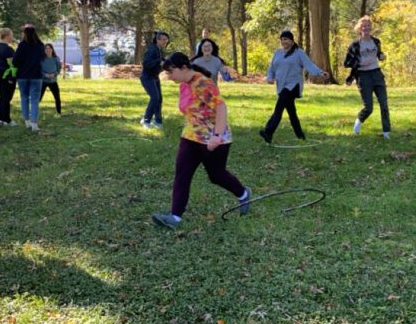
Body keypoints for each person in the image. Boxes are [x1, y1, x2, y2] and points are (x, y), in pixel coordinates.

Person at [151, 52, 251, 229]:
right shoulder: (184, 84)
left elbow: (221, 109)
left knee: (216, 175)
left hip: (214, 138)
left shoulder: (203, 83)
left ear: (184, 68)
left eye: (171, 71)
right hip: (191, 136)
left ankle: (243, 194)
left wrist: (217, 136)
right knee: (182, 174)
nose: (169, 76)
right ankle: (175, 217)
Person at [259, 30, 329, 143]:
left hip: (293, 86)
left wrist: (320, 73)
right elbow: (271, 68)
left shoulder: (299, 53)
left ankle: (268, 132)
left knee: (279, 109)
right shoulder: (277, 53)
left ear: (292, 41)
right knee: (291, 112)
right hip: (281, 86)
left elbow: (309, 65)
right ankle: (300, 135)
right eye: (281, 39)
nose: (283, 41)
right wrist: (270, 77)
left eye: (286, 39)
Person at [343, 16, 391, 139]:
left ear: (371, 28)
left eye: (368, 26)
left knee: (384, 104)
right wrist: (359, 64)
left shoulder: (376, 41)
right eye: (364, 26)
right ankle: (358, 122)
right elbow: (346, 63)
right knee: (368, 107)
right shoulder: (355, 44)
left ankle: (386, 133)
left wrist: (382, 56)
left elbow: (379, 53)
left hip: (377, 74)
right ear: (359, 28)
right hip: (363, 76)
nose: (366, 28)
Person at [13, 24, 46, 132]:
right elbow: (43, 59)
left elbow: (15, 61)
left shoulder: (22, 45)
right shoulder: (40, 45)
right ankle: (34, 123)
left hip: (22, 76)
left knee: (24, 98)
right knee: (35, 100)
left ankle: (26, 121)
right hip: (36, 76)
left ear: (24, 34)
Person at [140, 31, 170, 129]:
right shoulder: (152, 49)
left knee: (159, 99)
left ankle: (158, 121)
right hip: (147, 78)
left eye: (166, 40)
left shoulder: (158, 49)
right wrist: (159, 62)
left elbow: (160, 62)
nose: (165, 42)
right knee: (155, 98)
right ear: (157, 40)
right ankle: (146, 120)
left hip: (154, 77)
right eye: (163, 40)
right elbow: (146, 63)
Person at [0, 28, 18, 126]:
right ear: (7, 36)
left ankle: (1, 118)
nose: (12, 37)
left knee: (2, 95)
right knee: (7, 96)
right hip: (7, 73)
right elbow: (12, 65)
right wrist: (13, 77)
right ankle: (7, 119)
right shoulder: (8, 49)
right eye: (11, 35)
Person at [39, 43, 62, 116]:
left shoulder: (56, 58)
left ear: (52, 49)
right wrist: (44, 74)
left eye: (49, 48)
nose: (48, 50)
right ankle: (34, 113)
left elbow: (59, 69)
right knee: (38, 98)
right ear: (44, 50)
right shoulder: (41, 59)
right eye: (46, 49)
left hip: (53, 81)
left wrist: (54, 74)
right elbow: (38, 70)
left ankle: (59, 112)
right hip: (43, 81)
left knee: (57, 98)